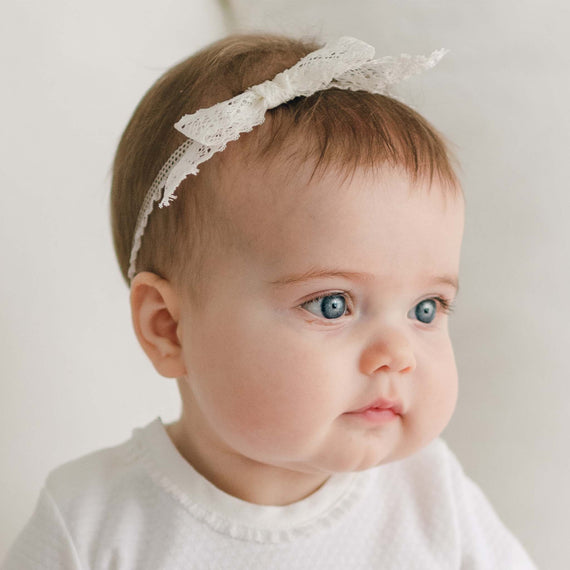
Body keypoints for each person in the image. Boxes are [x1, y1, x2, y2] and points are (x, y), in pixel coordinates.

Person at [2, 34, 537, 569]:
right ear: (169, 327)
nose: (398, 354)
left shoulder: (432, 497)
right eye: (332, 304)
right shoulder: (93, 524)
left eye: (427, 308)